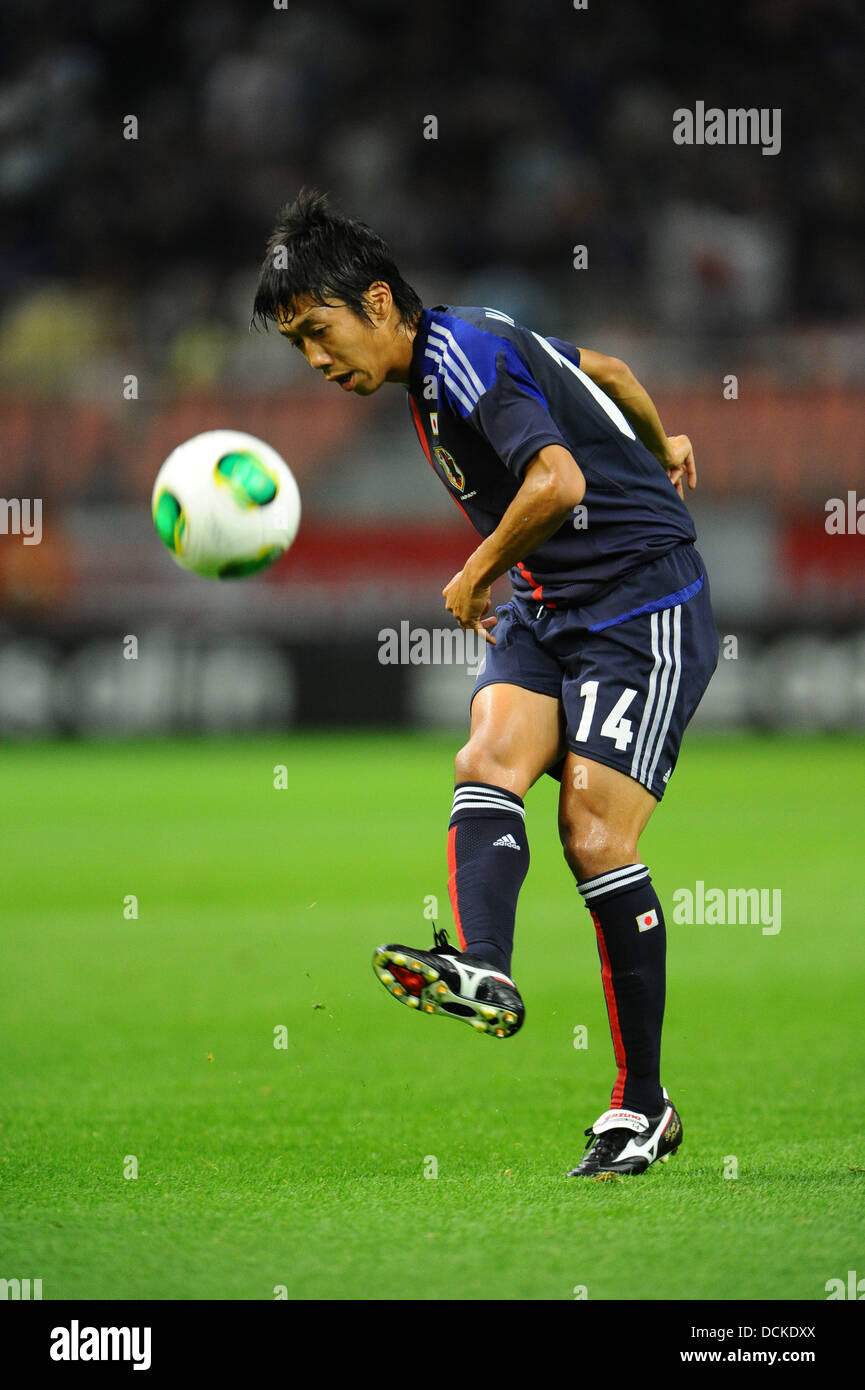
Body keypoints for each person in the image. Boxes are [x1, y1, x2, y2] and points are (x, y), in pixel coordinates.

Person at [253, 190, 719, 1177]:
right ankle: (484, 968)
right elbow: (607, 371)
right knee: (485, 756)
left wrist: (474, 570)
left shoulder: (459, 359)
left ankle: (644, 1104)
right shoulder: (466, 346)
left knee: (593, 836)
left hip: (641, 603)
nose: (316, 358)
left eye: (317, 330)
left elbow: (558, 481)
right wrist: (661, 437)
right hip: (551, 606)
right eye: (296, 342)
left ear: (378, 301)